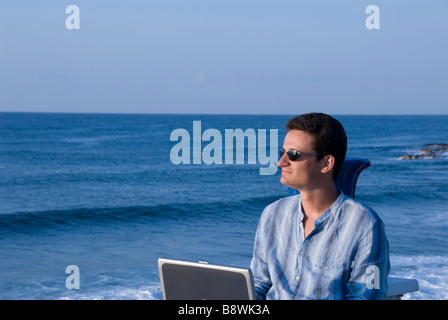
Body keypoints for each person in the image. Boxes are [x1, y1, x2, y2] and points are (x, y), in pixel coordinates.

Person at [250, 113, 390, 300]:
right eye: (282, 152)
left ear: (326, 163)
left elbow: (369, 295)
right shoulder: (272, 214)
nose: (281, 162)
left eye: (293, 154)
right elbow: (258, 284)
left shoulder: (365, 225)